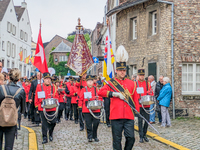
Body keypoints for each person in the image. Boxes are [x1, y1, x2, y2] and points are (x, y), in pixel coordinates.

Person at [98, 45, 140, 150]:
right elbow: (100, 92)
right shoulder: (111, 83)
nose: (122, 72)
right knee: (116, 140)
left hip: (129, 116)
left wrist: (136, 115)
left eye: (124, 70)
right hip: (116, 116)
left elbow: (135, 99)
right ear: (116, 70)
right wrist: (114, 94)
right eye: (120, 70)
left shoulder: (132, 83)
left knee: (131, 138)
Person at [0, 68, 25, 150]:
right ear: (18, 79)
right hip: (12, 121)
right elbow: (23, 110)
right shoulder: (21, 91)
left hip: (0, 119)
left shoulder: (1, 88)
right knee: (8, 147)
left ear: (8, 77)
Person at [35, 72, 59, 144]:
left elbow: (56, 96)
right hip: (43, 107)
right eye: (47, 79)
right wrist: (37, 106)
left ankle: (51, 133)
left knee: (53, 122)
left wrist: (56, 101)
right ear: (43, 79)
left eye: (49, 79)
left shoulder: (54, 87)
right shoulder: (39, 86)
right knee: (44, 124)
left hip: (52, 107)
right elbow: (36, 96)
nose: (48, 80)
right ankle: (45, 137)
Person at [79, 75, 103, 142]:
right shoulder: (84, 89)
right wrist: (80, 107)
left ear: (93, 82)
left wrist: (100, 100)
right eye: (88, 81)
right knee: (88, 124)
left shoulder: (96, 89)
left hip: (96, 108)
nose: (90, 82)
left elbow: (100, 97)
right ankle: (89, 136)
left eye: (91, 81)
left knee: (96, 123)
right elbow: (80, 99)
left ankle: (95, 135)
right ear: (86, 82)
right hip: (87, 109)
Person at [136, 69, 153, 143]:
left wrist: (149, 92)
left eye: (142, 75)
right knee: (140, 121)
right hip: (139, 105)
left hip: (146, 105)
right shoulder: (135, 83)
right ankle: (141, 136)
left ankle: (144, 134)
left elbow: (151, 92)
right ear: (138, 75)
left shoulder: (147, 83)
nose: (141, 76)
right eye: (140, 75)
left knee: (146, 121)